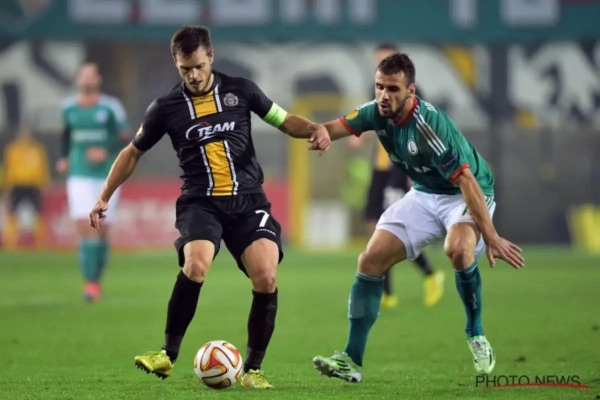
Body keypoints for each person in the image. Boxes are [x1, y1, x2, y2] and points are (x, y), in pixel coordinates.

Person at [88, 26, 331, 389]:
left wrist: (315, 128)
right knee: (196, 263)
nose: (194, 75)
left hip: (248, 200)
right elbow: (132, 152)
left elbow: (283, 120)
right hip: (200, 202)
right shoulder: (165, 108)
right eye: (185, 69)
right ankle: (167, 355)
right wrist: (104, 195)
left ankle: (253, 370)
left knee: (266, 276)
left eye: (199, 66)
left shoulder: (241, 90)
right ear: (176, 63)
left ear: (211, 57)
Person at [311, 52, 524, 382]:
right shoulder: (375, 112)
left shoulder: (428, 126)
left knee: (458, 249)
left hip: (466, 191)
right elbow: (331, 128)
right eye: (379, 87)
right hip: (425, 193)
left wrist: (492, 236)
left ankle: (476, 334)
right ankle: (350, 360)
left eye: (393, 89)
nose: (384, 95)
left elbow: (466, 181)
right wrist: (316, 131)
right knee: (369, 260)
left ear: (411, 91)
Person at [349, 43, 443, 309]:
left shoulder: (411, 93)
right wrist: (358, 133)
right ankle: (389, 292)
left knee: (392, 229)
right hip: (379, 168)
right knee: (375, 228)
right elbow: (370, 118)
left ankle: (428, 274)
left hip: (399, 168)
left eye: (386, 59)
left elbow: (423, 131)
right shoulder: (376, 91)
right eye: (378, 61)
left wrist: (417, 169)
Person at [57, 62, 130, 302]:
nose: (87, 79)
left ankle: (95, 279)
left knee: (102, 231)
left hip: (107, 177)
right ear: (78, 80)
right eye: (84, 75)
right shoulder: (68, 108)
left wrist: (105, 150)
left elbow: (125, 136)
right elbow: (66, 135)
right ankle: (90, 283)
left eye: (92, 75)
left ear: (98, 80)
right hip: (78, 175)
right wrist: (64, 158)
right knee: (85, 227)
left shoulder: (110, 107)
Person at [2, 126, 50, 249]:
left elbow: (43, 167)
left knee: (38, 213)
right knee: (12, 213)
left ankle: (41, 242)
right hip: (17, 184)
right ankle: (10, 242)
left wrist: (44, 183)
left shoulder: (37, 150)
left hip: (33, 184)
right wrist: (7, 185)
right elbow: (8, 168)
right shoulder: (12, 150)